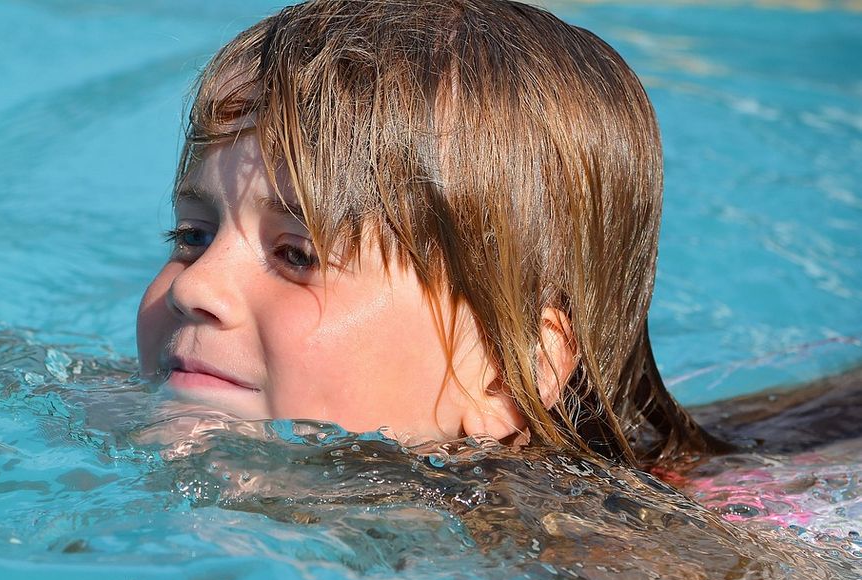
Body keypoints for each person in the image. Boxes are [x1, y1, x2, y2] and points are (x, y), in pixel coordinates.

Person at [135, 0, 725, 469]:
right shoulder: (106, 408)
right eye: (192, 235)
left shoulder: (599, 555)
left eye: (296, 254)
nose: (197, 287)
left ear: (506, 367)